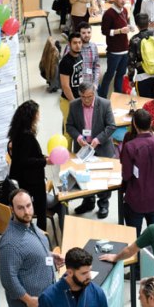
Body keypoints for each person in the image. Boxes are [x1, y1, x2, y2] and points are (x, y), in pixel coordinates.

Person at [0, 189, 64, 307]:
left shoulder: (30, 225)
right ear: (12, 209)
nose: (27, 211)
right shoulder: (10, 243)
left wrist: (50, 255)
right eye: (20, 208)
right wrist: (28, 300)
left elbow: (28, 252)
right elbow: (8, 279)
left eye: (28, 205)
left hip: (44, 300)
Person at [65, 84, 117, 218]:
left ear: (94, 93)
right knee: (84, 177)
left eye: (89, 97)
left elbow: (111, 126)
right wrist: (78, 137)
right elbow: (69, 126)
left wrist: (98, 139)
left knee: (102, 177)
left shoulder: (105, 104)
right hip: (83, 149)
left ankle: (103, 204)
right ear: (79, 95)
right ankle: (88, 201)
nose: (87, 100)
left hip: (102, 148)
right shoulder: (74, 105)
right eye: (83, 97)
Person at [121, 109, 154, 234]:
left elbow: (126, 175)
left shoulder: (130, 146)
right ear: (151, 123)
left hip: (135, 200)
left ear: (134, 124)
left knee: (133, 237)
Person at [37, 247, 113, 307]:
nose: (89, 276)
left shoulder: (97, 292)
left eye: (89, 271)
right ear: (69, 272)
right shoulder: (47, 298)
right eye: (84, 273)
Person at [7, 101, 49, 232]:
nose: (39, 115)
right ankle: (42, 235)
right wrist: (44, 161)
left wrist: (42, 157)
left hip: (24, 178)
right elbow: (25, 161)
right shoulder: (26, 136)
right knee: (41, 209)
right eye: (37, 113)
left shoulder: (18, 132)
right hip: (32, 180)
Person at [58, 32, 84, 123]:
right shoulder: (65, 62)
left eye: (80, 42)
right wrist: (74, 102)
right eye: (75, 43)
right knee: (69, 130)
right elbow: (65, 86)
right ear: (69, 44)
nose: (78, 45)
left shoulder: (80, 56)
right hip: (68, 100)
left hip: (79, 98)